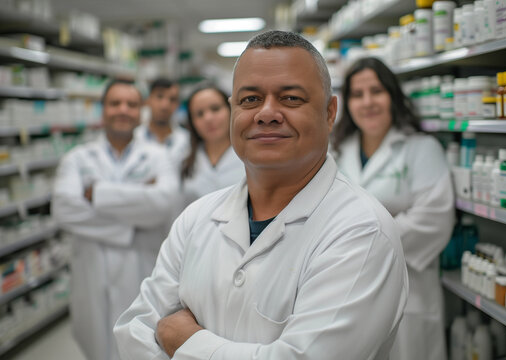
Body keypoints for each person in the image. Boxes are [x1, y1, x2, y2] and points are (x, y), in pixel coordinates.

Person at [114, 30, 408, 360]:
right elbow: (133, 331)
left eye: (291, 98)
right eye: (250, 99)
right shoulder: (195, 220)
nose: (266, 113)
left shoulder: (361, 233)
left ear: (329, 112)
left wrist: (180, 338)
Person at [332, 57, 454, 360]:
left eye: (377, 91)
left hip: (408, 287)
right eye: (358, 95)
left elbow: (433, 218)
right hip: (345, 290)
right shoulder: (335, 151)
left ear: (393, 96)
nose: (367, 102)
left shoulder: (421, 148)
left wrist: (356, 240)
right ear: (347, 104)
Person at [52, 79, 179, 360]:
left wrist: (96, 193)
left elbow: (162, 203)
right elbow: (63, 209)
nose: (123, 110)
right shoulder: (77, 159)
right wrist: (133, 218)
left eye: (131, 104)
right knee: (96, 347)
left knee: (143, 346)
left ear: (140, 111)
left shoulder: (159, 157)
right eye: (115, 103)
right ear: (103, 110)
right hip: (91, 273)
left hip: (142, 269)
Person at [180, 84, 244, 210]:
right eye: (199, 114)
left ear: (231, 109)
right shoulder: (184, 158)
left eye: (215, 109)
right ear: (192, 122)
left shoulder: (249, 156)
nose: (208, 118)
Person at [135, 77, 190, 168]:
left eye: (172, 99)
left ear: (178, 105)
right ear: (148, 100)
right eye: (159, 97)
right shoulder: (133, 137)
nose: (165, 105)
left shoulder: (187, 141)